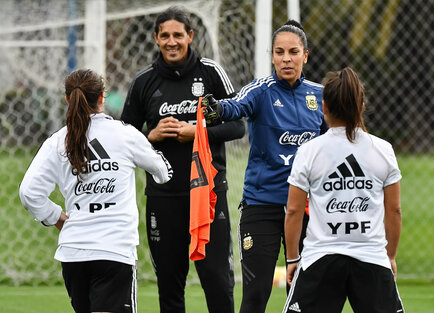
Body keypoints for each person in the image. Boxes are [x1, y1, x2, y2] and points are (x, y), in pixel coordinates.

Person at [120, 6, 245, 313]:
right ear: (155, 39)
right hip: (163, 197)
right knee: (170, 286)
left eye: (178, 35)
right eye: (165, 36)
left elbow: (238, 125)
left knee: (217, 281)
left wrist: (197, 132)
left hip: (207, 195)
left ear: (190, 36)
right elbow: (123, 136)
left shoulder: (210, 73)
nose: (172, 42)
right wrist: (151, 135)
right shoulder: (144, 82)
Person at [19, 69, 173, 313]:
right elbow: (163, 173)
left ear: (68, 99)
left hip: (74, 254)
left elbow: (29, 193)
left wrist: (56, 217)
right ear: (102, 97)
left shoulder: (58, 140)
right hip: (114, 251)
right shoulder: (125, 135)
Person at [203, 20, 327, 313]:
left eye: (293, 52)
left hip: (309, 210)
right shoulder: (260, 91)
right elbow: (236, 106)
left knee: (305, 297)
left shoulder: (321, 95)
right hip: (263, 207)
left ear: (305, 55)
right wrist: (217, 109)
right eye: (280, 52)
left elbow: (336, 138)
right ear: (271, 55)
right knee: (256, 295)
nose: (286, 58)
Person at [283, 67, 405, 313]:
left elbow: (294, 211)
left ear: (324, 107)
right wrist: (389, 256)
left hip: (320, 258)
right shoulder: (383, 149)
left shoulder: (310, 151)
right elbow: (394, 210)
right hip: (372, 258)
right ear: (361, 105)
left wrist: (293, 258)